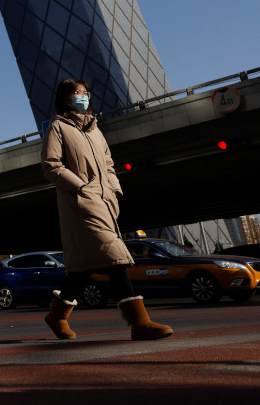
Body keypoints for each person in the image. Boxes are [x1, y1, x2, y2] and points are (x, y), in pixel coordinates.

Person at [40, 78, 173, 341]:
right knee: (114, 255)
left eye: (86, 92)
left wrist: (114, 191)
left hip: (104, 203)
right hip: (81, 204)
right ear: (66, 98)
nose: (84, 96)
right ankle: (139, 322)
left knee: (81, 267)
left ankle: (57, 316)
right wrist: (81, 188)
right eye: (78, 93)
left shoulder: (95, 131)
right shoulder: (58, 127)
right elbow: (51, 165)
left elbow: (109, 165)